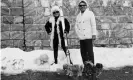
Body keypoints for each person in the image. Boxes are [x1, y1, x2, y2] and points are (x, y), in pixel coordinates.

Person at [75, 0, 97, 65]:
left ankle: (92, 67)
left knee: (90, 53)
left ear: (86, 6)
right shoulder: (78, 16)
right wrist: (78, 34)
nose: (82, 7)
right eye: (80, 5)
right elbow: (76, 26)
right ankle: (86, 66)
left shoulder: (90, 13)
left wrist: (94, 34)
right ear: (79, 7)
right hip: (81, 37)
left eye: (83, 5)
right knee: (83, 53)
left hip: (88, 36)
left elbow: (93, 24)